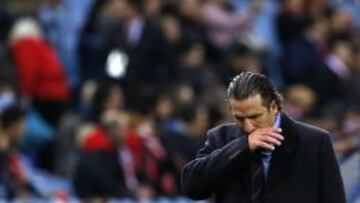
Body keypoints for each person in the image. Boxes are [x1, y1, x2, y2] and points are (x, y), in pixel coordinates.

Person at [181, 72, 346, 203]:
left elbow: (333, 198)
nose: (247, 126)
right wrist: (242, 146)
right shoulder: (221, 138)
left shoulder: (314, 141)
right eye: (239, 118)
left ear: (273, 107)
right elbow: (192, 187)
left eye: (254, 117)